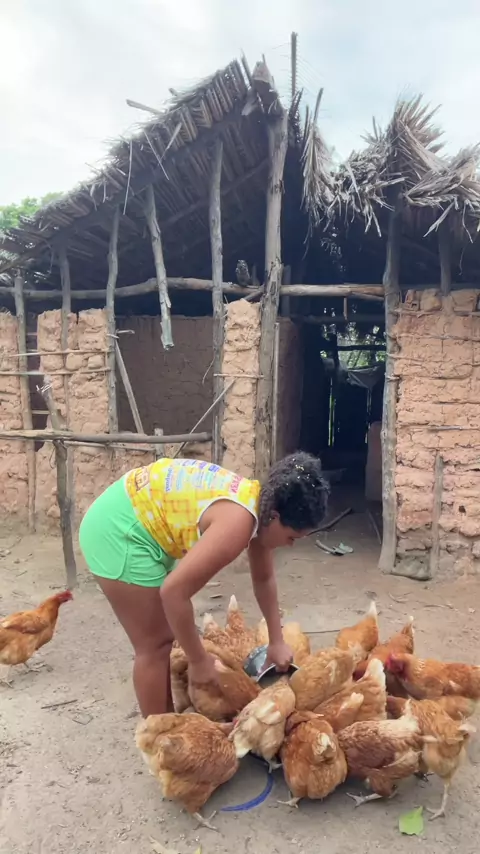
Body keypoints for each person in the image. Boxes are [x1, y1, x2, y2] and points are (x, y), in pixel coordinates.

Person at [79, 451, 329, 717]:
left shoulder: (257, 507)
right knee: (154, 645)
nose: (290, 545)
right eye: (291, 538)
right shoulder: (237, 524)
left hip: (135, 512)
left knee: (166, 636)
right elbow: (173, 593)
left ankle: (167, 721)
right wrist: (198, 660)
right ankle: (158, 731)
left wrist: (276, 642)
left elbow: (264, 578)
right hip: (119, 529)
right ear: (275, 517)